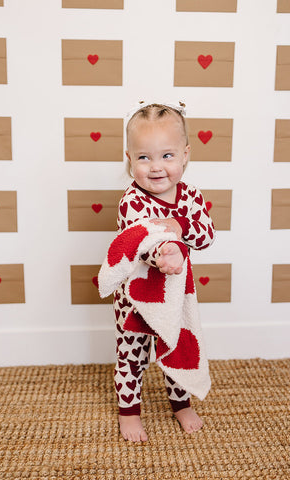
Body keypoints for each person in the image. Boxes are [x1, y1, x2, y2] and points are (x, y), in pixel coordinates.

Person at [113, 102, 215, 442]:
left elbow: (206, 234)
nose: (156, 167)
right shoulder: (132, 201)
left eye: (167, 156)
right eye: (144, 158)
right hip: (137, 298)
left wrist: (178, 225)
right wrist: (163, 253)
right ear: (130, 158)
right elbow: (143, 241)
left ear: (185, 154)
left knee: (176, 346)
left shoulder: (191, 197)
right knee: (133, 354)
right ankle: (129, 412)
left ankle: (180, 403)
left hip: (176, 295)